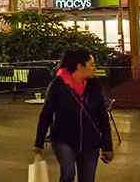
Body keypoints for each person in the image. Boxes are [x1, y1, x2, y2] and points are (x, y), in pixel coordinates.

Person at [33, 49, 113, 182]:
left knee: (87, 179)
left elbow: (103, 117)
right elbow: (46, 114)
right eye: (91, 64)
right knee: (68, 173)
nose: (94, 68)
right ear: (80, 66)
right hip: (63, 139)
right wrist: (38, 144)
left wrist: (107, 146)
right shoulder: (58, 85)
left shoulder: (94, 86)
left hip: (90, 142)